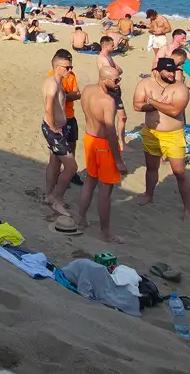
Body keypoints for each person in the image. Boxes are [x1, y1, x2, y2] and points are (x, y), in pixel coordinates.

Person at [73, 55, 126, 241]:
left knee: (90, 181)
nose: (118, 83)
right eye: (116, 80)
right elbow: (110, 131)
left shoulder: (87, 90)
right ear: (104, 80)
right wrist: (118, 159)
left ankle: (81, 219)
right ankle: (106, 232)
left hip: (90, 138)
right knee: (106, 190)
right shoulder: (107, 101)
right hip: (103, 143)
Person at [133, 56, 190, 220]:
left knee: (179, 171)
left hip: (173, 135)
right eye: (168, 71)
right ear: (157, 71)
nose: (172, 74)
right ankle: (148, 194)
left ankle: (187, 208)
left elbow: (175, 111)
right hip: (151, 133)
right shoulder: (145, 84)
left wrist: (152, 101)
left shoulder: (181, 89)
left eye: (174, 71)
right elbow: (137, 105)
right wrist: (159, 104)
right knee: (151, 167)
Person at [40, 48, 80, 218]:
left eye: (71, 67)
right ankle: (57, 200)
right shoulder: (52, 84)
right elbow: (49, 105)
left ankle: (49, 195)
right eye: (67, 67)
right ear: (57, 67)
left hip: (58, 128)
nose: (70, 70)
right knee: (72, 167)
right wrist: (53, 126)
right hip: (54, 130)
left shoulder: (58, 82)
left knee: (55, 163)